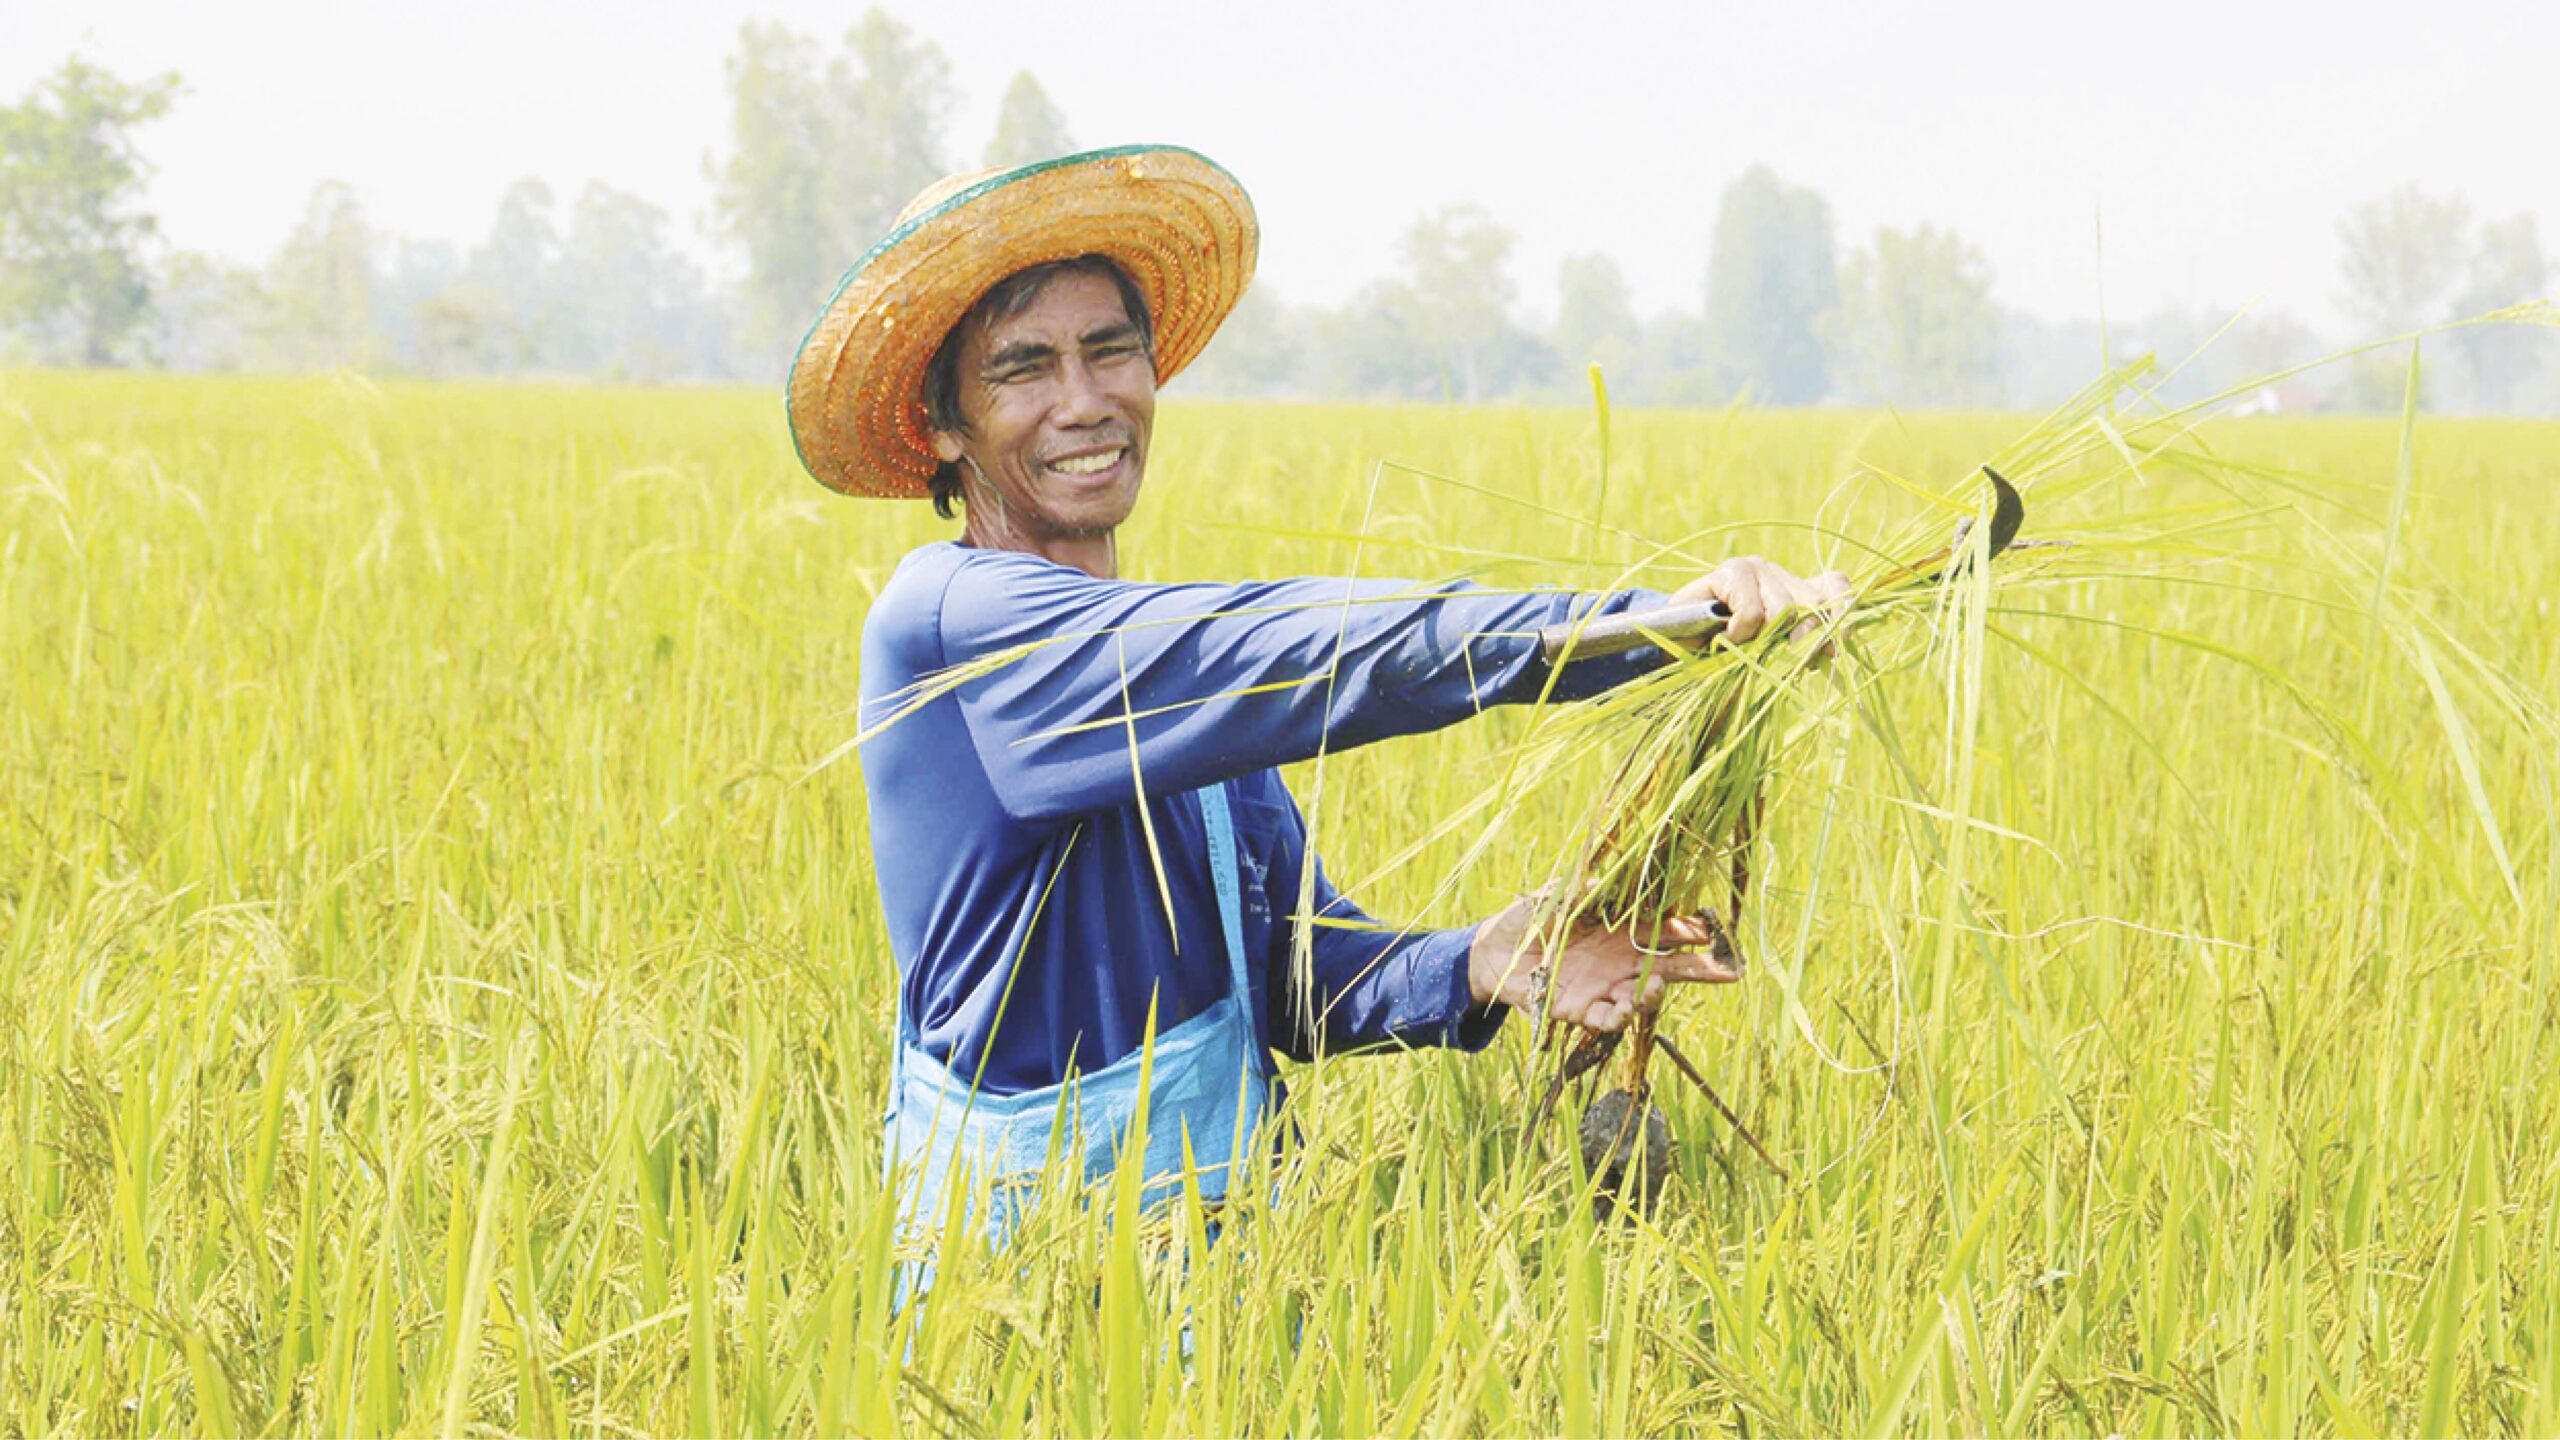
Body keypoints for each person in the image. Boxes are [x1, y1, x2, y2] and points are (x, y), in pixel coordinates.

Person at [785, 145, 1848, 1253]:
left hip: (1231, 1273)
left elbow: (1294, 978)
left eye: (1111, 353)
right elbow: (1323, 650)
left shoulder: (1175, 675)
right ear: (943, 424)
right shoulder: (954, 623)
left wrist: (1491, 959)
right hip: (1015, 1287)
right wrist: (1654, 632)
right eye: (1022, 368)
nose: (1084, 401)